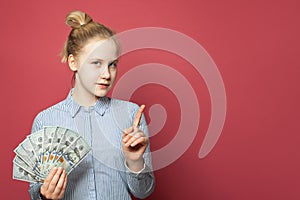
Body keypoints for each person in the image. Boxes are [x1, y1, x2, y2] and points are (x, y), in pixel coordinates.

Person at [29, 10, 155, 200]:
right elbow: (35, 190)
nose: (107, 74)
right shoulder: (45, 121)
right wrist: (44, 195)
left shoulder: (131, 115)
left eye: (112, 64)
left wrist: (134, 161)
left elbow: (144, 191)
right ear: (73, 62)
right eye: (96, 63)